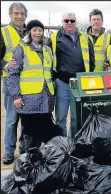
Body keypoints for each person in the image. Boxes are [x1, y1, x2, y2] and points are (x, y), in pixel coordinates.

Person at [7, 20, 60, 152]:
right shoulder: (21, 49)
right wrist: (16, 96)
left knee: (45, 130)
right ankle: (27, 159)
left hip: (46, 98)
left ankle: (42, 160)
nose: (37, 33)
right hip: (29, 99)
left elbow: (50, 72)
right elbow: (13, 74)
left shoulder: (47, 49)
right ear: (29, 32)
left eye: (40, 30)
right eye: (34, 30)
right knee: (29, 131)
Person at [47, 12, 95, 138]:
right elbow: (47, 59)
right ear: (62, 22)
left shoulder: (85, 38)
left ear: (75, 23)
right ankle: (62, 144)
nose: (69, 23)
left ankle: (73, 143)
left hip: (80, 85)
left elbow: (91, 60)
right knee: (61, 117)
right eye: (66, 20)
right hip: (62, 83)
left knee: (77, 117)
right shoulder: (54, 38)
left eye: (72, 21)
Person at [1, 2, 27, 164]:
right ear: (10, 15)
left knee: (26, 120)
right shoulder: (3, 32)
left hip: (28, 85)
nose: (19, 16)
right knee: (11, 119)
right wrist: (4, 65)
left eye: (22, 14)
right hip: (11, 84)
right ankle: (9, 151)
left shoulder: (30, 32)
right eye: (16, 13)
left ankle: (24, 149)